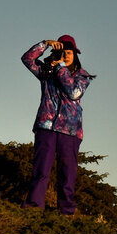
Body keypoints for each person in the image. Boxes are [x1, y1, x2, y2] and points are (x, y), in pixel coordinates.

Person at [20, 34, 94, 215]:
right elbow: (27, 59)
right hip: (46, 127)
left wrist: (60, 67)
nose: (65, 55)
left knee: (67, 172)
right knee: (41, 168)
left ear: (75, 55)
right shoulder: (47, 72)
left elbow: (74, 92)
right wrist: (44, 44)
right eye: (62, 52)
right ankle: (34, 206)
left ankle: (65, 210)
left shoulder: (82, 75)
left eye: (69, 52)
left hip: (70, 131)